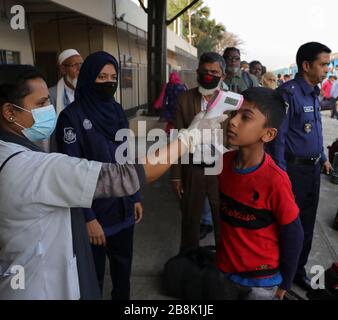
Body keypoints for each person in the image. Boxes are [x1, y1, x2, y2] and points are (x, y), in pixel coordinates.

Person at [0, 64, 226, 299]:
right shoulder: (33, 166)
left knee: (121, 264)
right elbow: (126, 176)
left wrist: (133, 199)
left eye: (48, 101)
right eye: (40, 104)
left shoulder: (11, 152)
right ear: (9, 112)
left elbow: (125, 154)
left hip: (37, 266)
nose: (49, 109)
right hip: (41, 286)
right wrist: (189, 138)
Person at [55, 51, 143, 300]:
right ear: (88, 78)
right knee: (92, 279)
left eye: (113, 77)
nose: (109, 82)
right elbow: (70, 171)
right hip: (94, 216)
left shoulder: (116, 111)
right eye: (101, 76)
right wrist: (88, 218)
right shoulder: (71, 117)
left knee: (123, 273)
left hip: (123, 209)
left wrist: (134, 195)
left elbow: (127, 157)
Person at [217, 87, 304, 300]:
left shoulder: (275, 180)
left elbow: (293, 234)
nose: (233, 121)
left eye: (245, 117)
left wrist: (287, 281)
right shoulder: (224, 163)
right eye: (233, 114)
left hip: (261, 282)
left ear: (268, 134)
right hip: (225, 272)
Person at [266, 42, 333, 291]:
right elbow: (278, 140)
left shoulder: (314, 93)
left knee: (306, 223)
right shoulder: (288, 93)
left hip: (313, 170)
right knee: (288, 225)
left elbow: (313, 130)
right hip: (292, 172)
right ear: (306, 65)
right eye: (323, 64)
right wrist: (281, 176)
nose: (327, 69)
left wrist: (323, 157)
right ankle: (278, 271)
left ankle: (297, 270)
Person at [171, 52, 228, 252]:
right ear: (197, 73)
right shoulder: (184, 99)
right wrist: (176, 176)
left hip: (222, 170)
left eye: (214, 72)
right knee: (190, 221)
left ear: (223, 76)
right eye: (204, 71)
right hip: (193, 169)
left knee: (224, 223)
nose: (209, 75)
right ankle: (187, 264)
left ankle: (224, 267)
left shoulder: (232, 102)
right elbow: (177, 138)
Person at [49, 49, 83, 115]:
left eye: (81, 64)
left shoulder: (90, 91)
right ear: (63, 69)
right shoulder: (51, 95)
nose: (79, 69)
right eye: (74, 65)